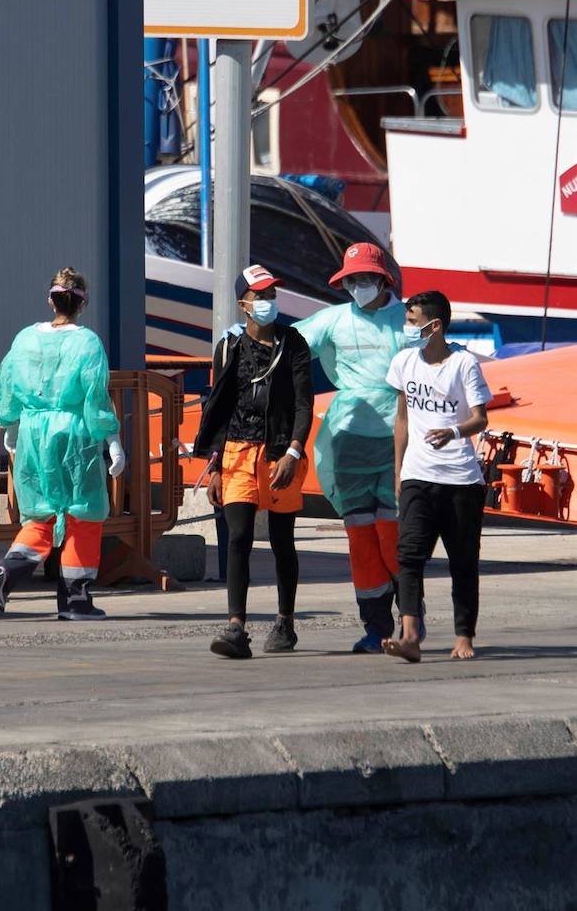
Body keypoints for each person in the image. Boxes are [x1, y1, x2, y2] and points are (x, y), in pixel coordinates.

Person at [0, 267, 126, 619]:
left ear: (50, 299)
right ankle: (75, 600)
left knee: (40, 513)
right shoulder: (87, 342)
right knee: (83, 513)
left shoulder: (25, 339)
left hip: (33, 433)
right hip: (74, 432)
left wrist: (12, 428)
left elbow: (7, 385)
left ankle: (9, 569)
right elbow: (95, 396)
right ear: (83, 303)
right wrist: (113, 440)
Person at [293, 242, 411, 653]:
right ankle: (375, 627)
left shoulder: (408, 320)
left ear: (383, 279)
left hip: (400, 440)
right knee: (361, 538)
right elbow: (288, 348)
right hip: (348, 440)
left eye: (366, 278)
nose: (359, 285)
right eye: (352, 279)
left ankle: (410, 619)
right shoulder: (333, 320)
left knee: (392, 535)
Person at [193, 265, 313, 659]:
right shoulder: (229, 347)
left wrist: (294, 451)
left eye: (271, 294)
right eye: (260, 296)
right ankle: (236, 627)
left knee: (282, 540)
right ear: (243, 303)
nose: (268, 302)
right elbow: (219, 406)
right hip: (237, 452)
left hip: (280, 452)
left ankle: (285, 622)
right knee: (239, 536)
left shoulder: (293, 343)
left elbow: (302, 402)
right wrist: (213, 465)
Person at [383, 292, 491, 662]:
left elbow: (481, 418)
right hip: (417, 475)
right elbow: (402, 419)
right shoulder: (403, 363)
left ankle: (464, 635)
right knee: (409, 556)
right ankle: (410, 635)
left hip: (461, 479)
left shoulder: (464, 364)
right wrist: (398, 471)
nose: (407, 328)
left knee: (462, 562)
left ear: (435, 326)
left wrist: (454, 432)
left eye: (413, 322)